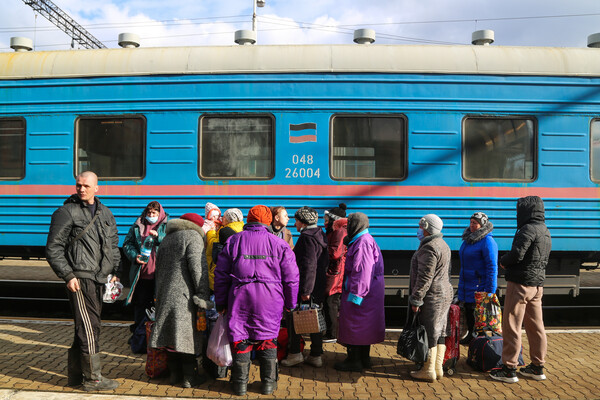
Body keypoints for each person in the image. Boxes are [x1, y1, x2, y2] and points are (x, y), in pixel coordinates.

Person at [45, 171, 121, 391]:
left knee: (87, 327)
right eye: (78, 185)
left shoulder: (106, 213)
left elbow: (113, 247)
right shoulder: (66, 212)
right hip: (80, 278)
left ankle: (76, 376)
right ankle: (93, 379)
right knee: (89, 327)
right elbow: (53, 248)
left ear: (97, 188)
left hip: (101, 279)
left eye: (86, 186)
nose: (81, 189)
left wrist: (115, 271)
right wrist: (68, 275)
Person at [214, 205, 299, 396]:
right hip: (270, 299)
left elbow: (220, 275)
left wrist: (220, 302)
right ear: (268, 221)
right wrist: (290, 303)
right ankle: (268, 384)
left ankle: (239, 385)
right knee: (267, 337)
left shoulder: (234, 241)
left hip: (240, 298)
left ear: (249, 220)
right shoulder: (280, 244)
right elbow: (292, 278)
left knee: (240, 338)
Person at [490, 196, 551, 383]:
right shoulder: (544, 230)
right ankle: (537, 366)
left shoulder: (526, 229)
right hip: (537, 285)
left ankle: (509, 368)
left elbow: (517, 254)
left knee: (512, 325)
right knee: (536, 326)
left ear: (526, 211)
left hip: (520, 284)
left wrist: (503, 261)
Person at [148, 213, 211, 388]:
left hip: (165, 294)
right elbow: (198, 269)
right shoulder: (193, 237)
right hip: (185, 296)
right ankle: (190, 377)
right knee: (186, 337)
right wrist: (202, 295)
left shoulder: (167, 239)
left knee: (170, 336)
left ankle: (175, 375)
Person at [334, 212, 385, 372]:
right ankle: (364, 358)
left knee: (355, 325)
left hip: (362, 292)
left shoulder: (362, 243)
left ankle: (354, 360)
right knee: (365, 326)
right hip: (370, 291)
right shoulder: (364, 239)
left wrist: (356, 294)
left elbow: (362, 270)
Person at [281, 206, 328, 368]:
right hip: (319, 284)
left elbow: (309, 265)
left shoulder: (307, 238)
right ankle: (316, 354)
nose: (295, 224)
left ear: (303, 221)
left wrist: (306, 291)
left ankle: (295, 353)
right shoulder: (320, 235)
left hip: (307, 286)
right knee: (314, 319)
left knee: (295, 319)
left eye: (296, 220)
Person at [408, 214, 453, 382]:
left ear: (427, 228)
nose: (419, 230)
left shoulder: (429, 248)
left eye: (421, 227)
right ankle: (437, 368)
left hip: (433, 296)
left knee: (429, 331)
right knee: (440, 331)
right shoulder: (443, 245)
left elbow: (425, 277)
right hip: (444, 293)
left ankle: (428, 370)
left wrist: (416, 299)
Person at [122, 201, 169, 333]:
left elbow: (172, 242)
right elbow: (127, 244)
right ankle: (140, 333)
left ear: (160, 214)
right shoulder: (138, 225)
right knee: (140, 304)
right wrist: (134, 256)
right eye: (149, 212)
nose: (151, 215)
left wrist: (159, 237)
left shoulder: (166, 226)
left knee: (158, 305)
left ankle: (157, 334)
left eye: (154, 213)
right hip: (141, 274)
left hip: (160, 275)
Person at [458, 211, 498, 343]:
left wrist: (490, 291)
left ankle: (479, 339)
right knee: (469, 311)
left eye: (475, 223)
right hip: (467, 283)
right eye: (471, 222)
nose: (472, 225)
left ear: (482, 225)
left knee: (478, 314)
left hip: (478, 284)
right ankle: (471, 335)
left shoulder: (488, 241)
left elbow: (492, 267)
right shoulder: (468, 240)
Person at [323, 203, 348, 342]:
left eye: (327, 220)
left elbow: (336, 253)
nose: (325, 222)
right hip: (335, 269)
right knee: (330, 300)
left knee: (331, 300)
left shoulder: (339, 231)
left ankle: (332, 334)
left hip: (336, 271)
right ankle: (331, 331)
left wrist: (322, 250)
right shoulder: (337, 230)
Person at [206, 208, 244, 291]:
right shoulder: (242, 229)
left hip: (218, 274)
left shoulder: (225, 231)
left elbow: (213, 246)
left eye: (223, 217)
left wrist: (211, 232)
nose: (221, 218)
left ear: (228, 219)